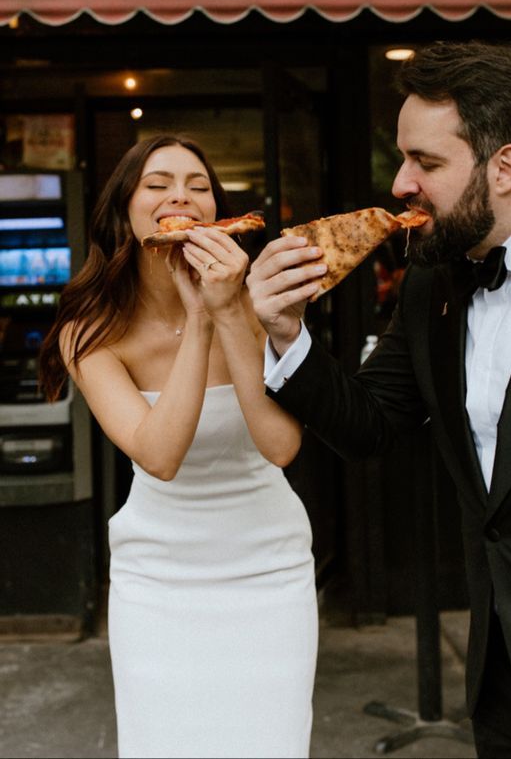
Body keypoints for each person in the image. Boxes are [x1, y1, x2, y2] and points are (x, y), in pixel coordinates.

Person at [246, 40, 511, 759]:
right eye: (403, 158)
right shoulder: (434, 280)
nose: (400, 184)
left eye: (426, 162)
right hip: (504, 676)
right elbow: (373, 427)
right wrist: (285, 334)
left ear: (505, 167)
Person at [39, 133, 318, 759]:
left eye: (198, 186)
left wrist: (228, 313)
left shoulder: (254, 303)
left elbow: (280, 445)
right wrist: (199, 319)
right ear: (124, 209)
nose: (180, 198)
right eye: (158, 184)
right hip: (158, 578)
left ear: (218, 211)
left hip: (267, 571)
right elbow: (158, 455)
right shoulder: (89, 330)